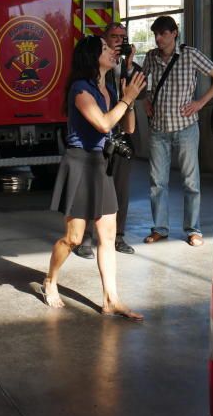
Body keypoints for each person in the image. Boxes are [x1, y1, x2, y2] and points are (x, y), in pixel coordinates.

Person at [43, 35, 147, 321]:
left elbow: (126, 126)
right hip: (79, 163)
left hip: (101, 164)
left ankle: (110, 300)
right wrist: (126, 99)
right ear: (91, 57)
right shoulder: (80, 89)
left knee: (108, 236)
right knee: (74, 238)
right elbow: (102, 124)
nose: (112, 51)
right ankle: (50, 280)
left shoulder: (109, 88)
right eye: (104, 48)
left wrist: (130, 101)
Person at [141, 16, 213, 247]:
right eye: (156, 34)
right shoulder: (150, 57)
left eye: (163, 33)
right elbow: (140, 81)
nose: (158, 38)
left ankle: (193, 230)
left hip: (186, 128)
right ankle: (159, 228)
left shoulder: (190, 54)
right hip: (158, 129)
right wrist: (144, 100)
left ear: (174, 33)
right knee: (157, 182)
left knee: (191, 181)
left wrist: (201, 103)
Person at [74, 22, 141, 258]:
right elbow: (101, 120)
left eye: (123, 37)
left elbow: (133, 96)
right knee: (92, 192)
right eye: (114, 37)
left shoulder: (126, 66)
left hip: (119, 137)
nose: (119, 42)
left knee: (120, 190)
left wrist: (129, 66)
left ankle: (117, 237)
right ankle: (84, 237)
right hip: (97, 141)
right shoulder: (85, 82)